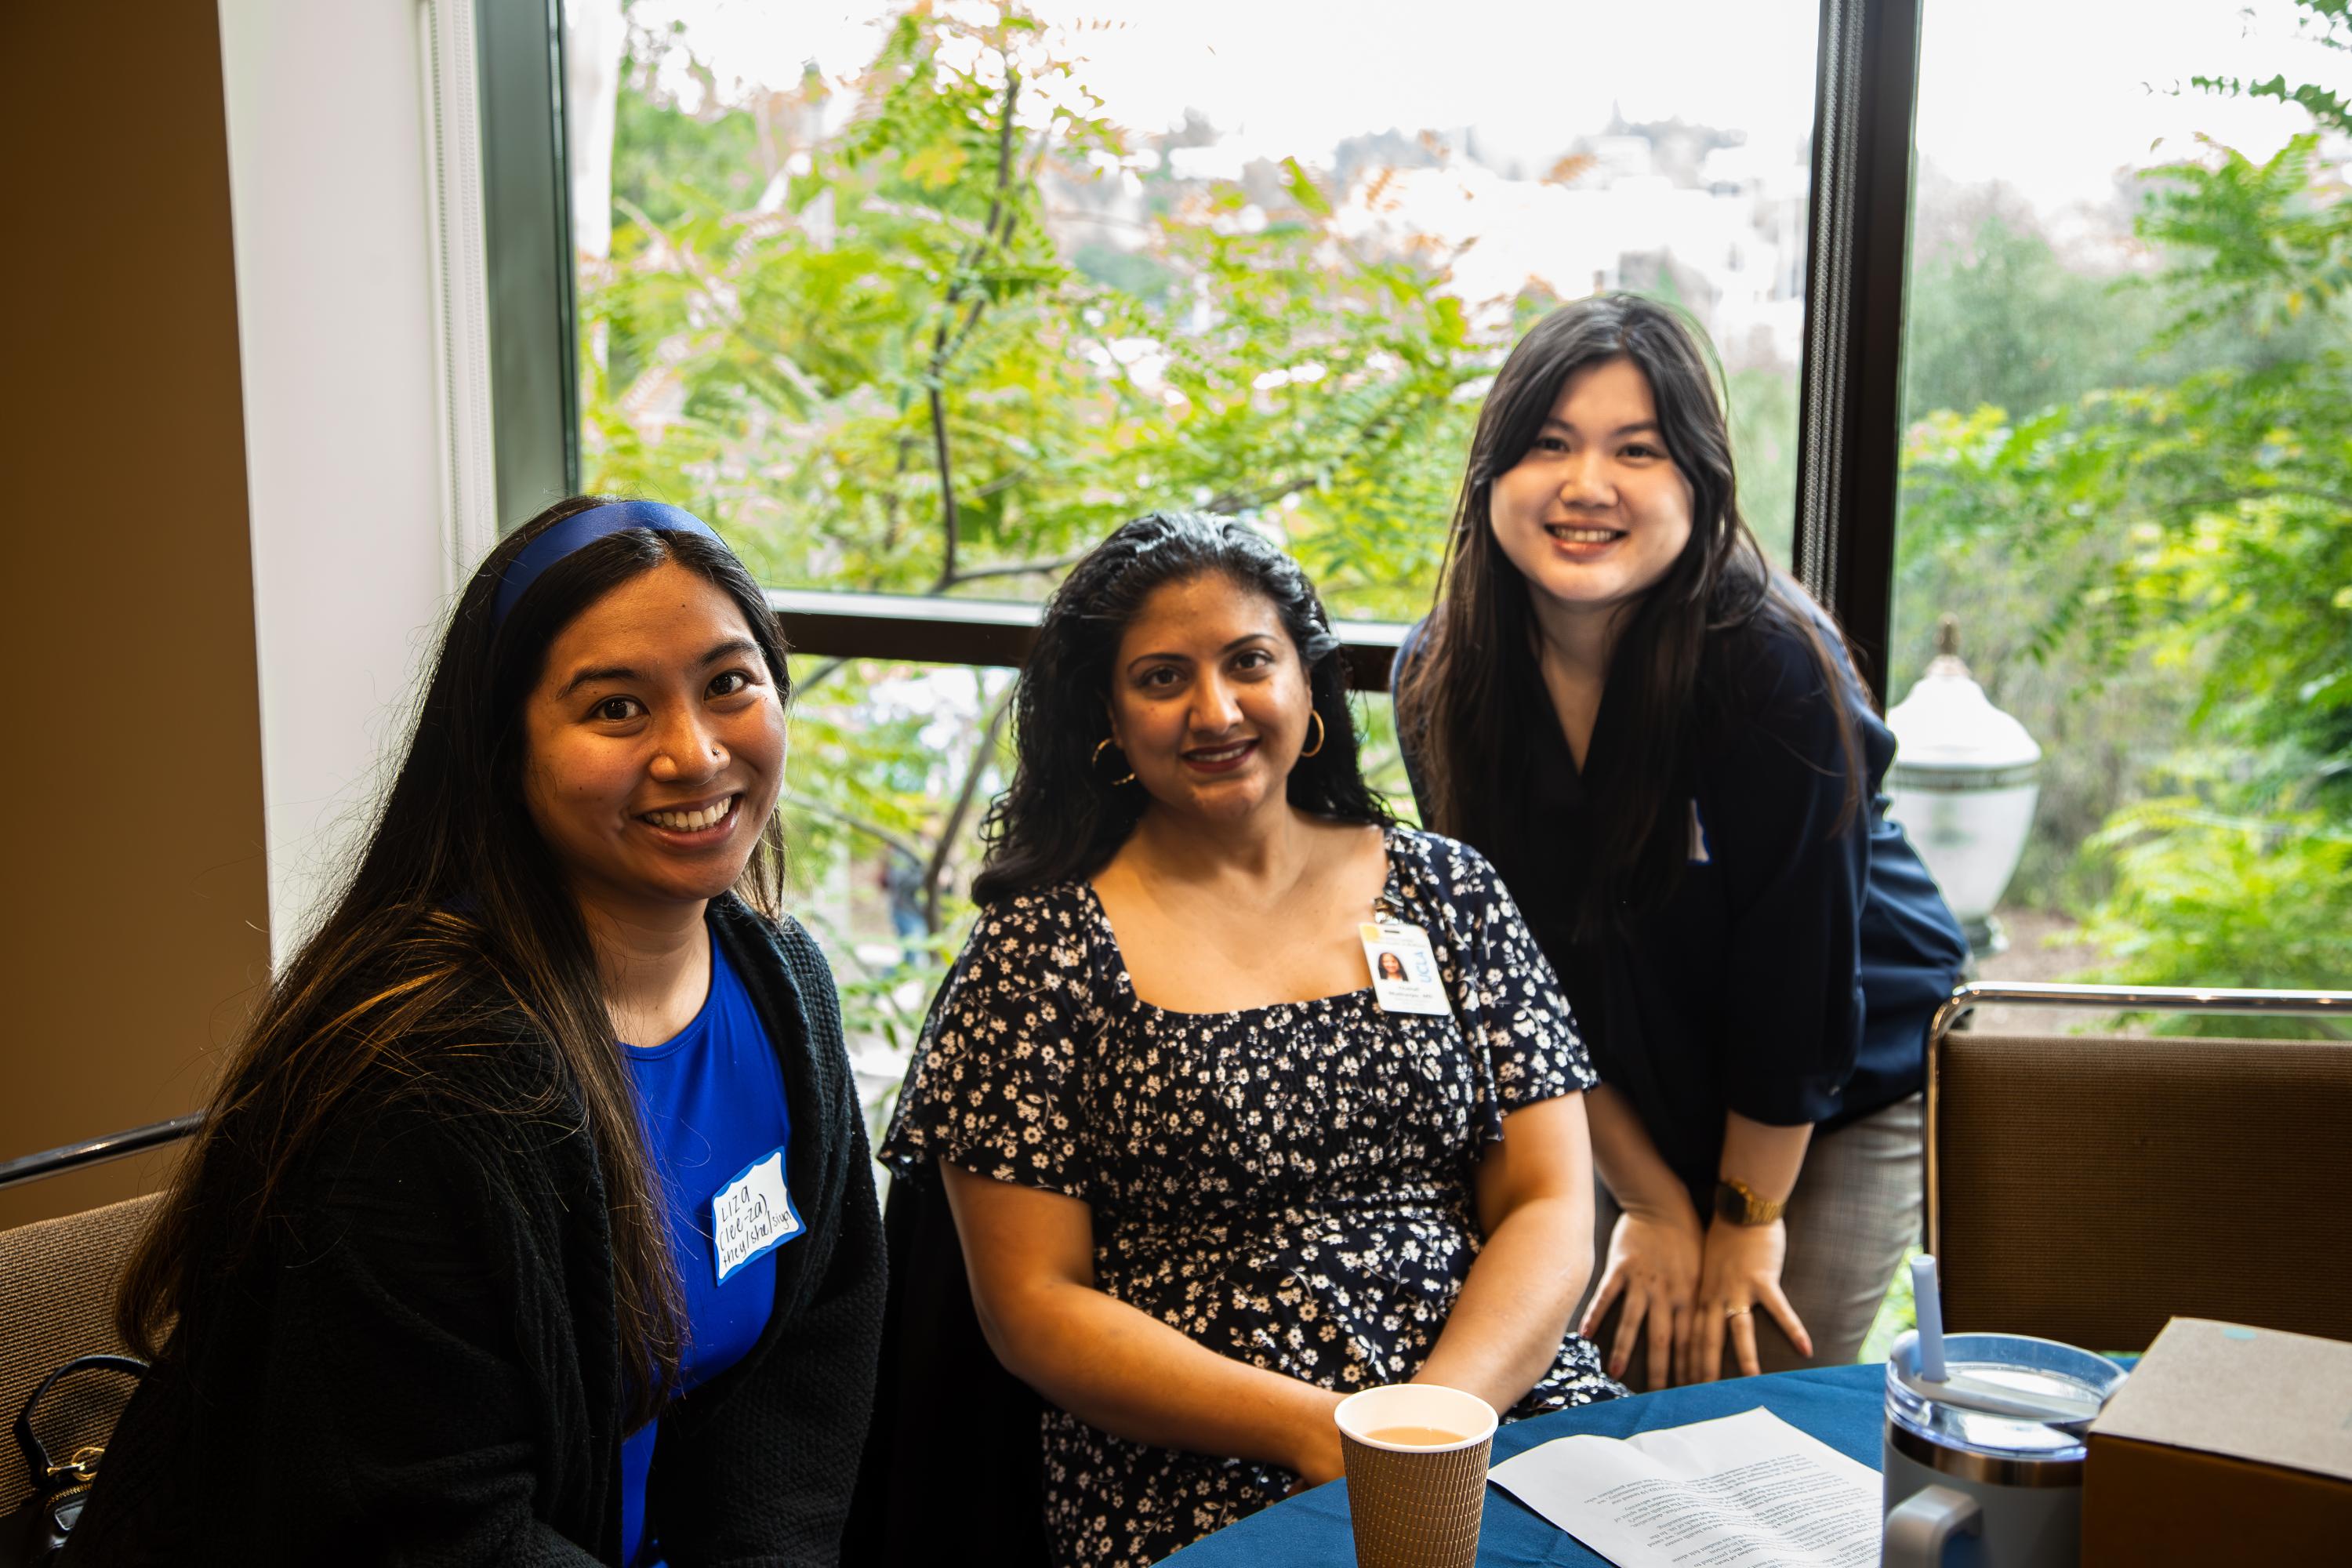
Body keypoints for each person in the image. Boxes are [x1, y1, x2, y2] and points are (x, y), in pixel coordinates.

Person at [69, 499, 885, 1566]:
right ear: (505, 753)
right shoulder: (427, 1076)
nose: (694, 754)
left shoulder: (784, 991)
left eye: (729, 683)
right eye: (617, 709)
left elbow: (809, 1366)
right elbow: (426, 1525)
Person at [880, 512, 1621, 1568]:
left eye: (1249, 663)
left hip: (1498, 1403)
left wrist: (1434, 1425)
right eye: (1162, 678)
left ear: (1310, 684)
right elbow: (1033, 1306)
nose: (1215, 710)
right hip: (1198, 1462)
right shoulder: (1037, 953)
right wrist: (1319, 1432)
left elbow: (1549, 1201)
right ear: (1107, 715)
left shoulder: (1449, 890)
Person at [1392, 296, 1968, 1393]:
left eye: (1636, 450)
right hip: (1615, 1080)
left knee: (1756, 1399)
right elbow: (1520, 985)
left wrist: (1743, 1222)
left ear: (1697, 484)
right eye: (1549, 445)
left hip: (1829, 1093)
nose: (1586, 486)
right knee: (1618, 1399)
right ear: (1490, 478)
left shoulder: (1772, 668)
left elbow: (1803, 988)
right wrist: (1653, 1201)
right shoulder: (1442, 679)